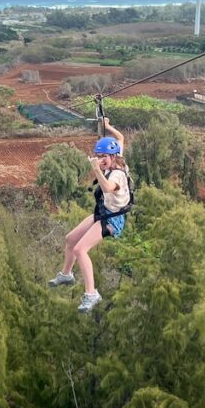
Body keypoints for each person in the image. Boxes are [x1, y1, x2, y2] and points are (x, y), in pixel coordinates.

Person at [48, 117, 130, 312]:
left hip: (113, 219)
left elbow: (108, 188)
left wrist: (96, 169)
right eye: (98, 156)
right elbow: (121, 138)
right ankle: (66, 274)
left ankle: (91, 294)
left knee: (80, 250)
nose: (101, 160)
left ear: (112, 157)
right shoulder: (116, 158)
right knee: (70, 239)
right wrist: (108, 126)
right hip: (103, 213)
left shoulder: (117, 174)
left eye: (104, 157)